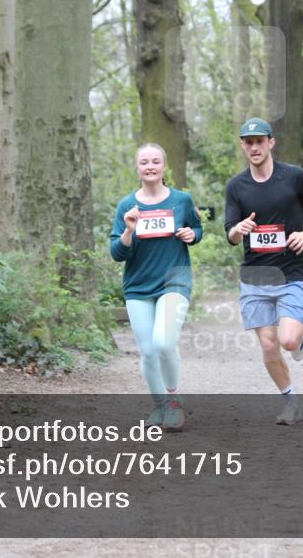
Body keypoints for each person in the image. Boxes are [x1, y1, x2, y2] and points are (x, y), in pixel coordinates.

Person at [225, 117, 303, 425]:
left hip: (291, 272)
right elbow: (230, 235)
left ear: (271, 142)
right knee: (269, 344)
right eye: (248, 142)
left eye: (260, 141)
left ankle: (299, 340)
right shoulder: (236, 186)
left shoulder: (294, 176)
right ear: (243, 146)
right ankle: (291, 402)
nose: (254, 147)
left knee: (287, 340)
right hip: (255, 276)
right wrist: (239, 229)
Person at [110, 143, 203, 432]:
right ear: (137, 168)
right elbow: (117, 253)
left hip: (174, 280)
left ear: (164, 166)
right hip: (138, 286)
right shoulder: (127, 205)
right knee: (148, 351)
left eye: (155, 161)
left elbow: (196, 229)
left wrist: (192, 234)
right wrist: (128, 230)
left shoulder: (181, 200)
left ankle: (174, 402)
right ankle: (160, 404)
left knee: (163, 342)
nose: (150, 166)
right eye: (144, 162)